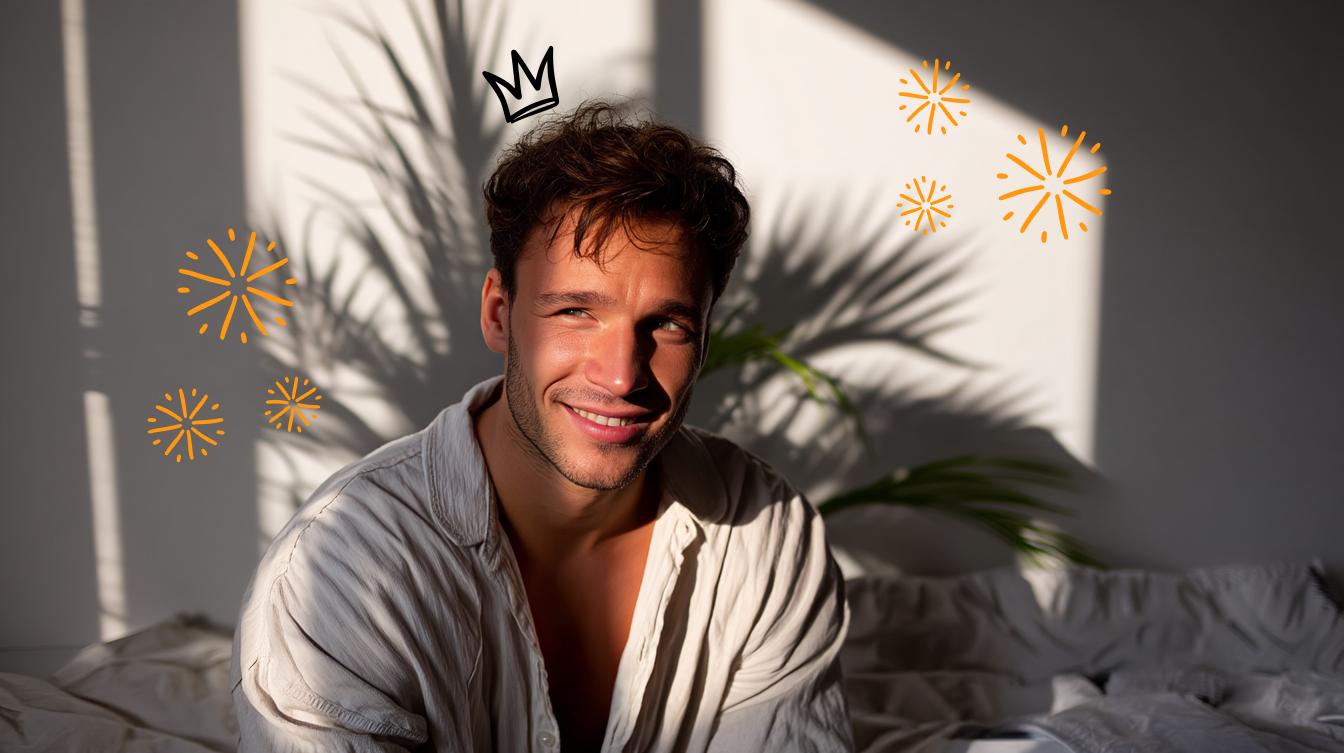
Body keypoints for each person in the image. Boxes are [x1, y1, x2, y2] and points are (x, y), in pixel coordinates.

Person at [231, 102, 854, 752]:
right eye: (576, 311)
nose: (622, 376)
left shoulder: (763, 535)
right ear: (499, 314)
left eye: (668, 324)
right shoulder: (337, 575)